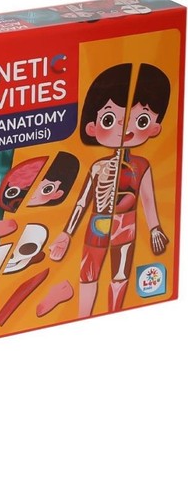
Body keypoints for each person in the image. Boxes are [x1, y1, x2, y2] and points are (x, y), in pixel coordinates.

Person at [49, 63, 170, 317]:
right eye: (109, 119)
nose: (125, 127)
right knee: (88, 274)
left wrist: (155, 228)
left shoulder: (142, 165)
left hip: (126, 225)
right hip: (98, 224)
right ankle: (83, 319)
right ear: (92, 128)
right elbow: (82, 202)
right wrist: (66, 233)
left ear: (155, 128)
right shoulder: (97, 167)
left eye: (142, 120)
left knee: (120, 275)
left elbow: (148, 199)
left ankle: (115, 316)